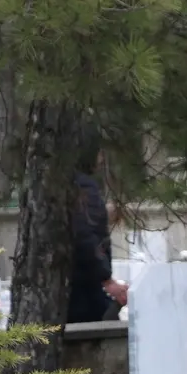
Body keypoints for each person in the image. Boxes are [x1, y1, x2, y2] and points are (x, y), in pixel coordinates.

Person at [68, 135, 128, 324]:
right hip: (85, 293)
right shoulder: (84, 186)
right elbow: (85, 236)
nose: (101, 160)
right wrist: (106, 279)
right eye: (99, 153)